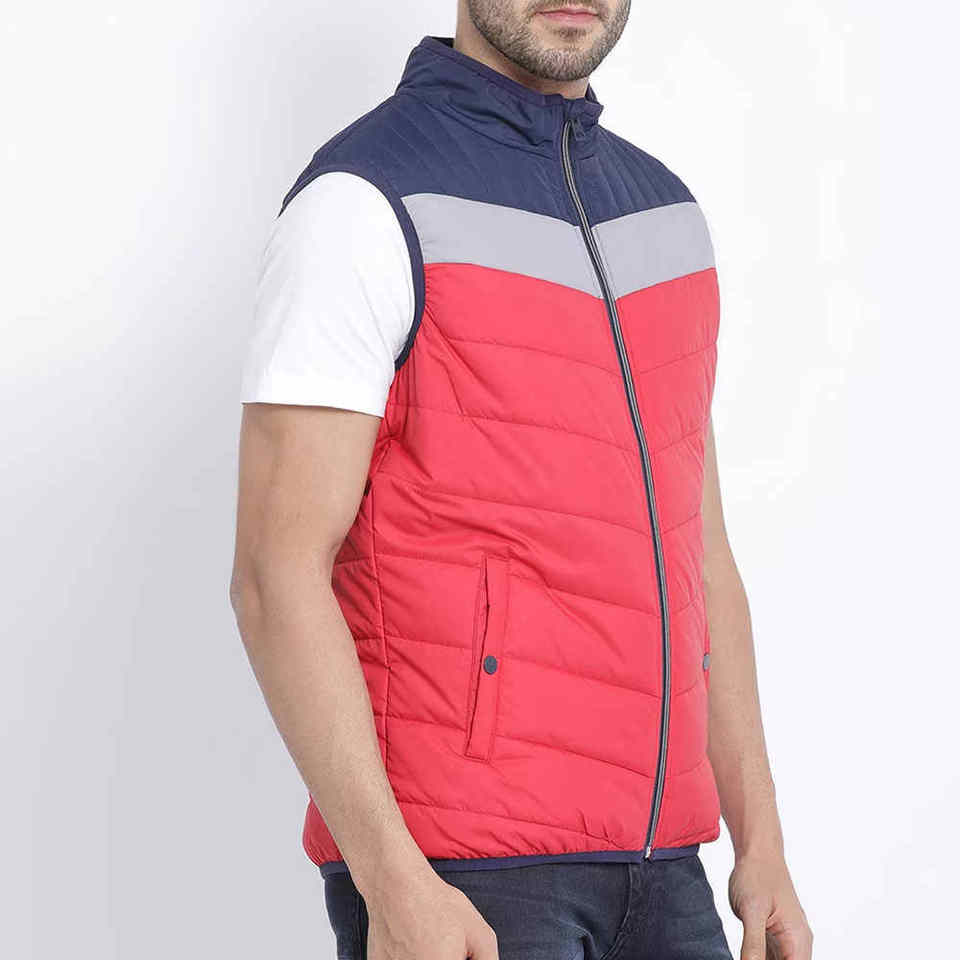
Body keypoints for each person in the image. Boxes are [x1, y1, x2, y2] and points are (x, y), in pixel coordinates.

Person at [230, 3, 813, 958]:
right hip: (461, 875)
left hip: (668, 868)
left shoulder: (664, 214)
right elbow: (274, 574)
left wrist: (763, 843)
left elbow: (700, 555)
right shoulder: (363, 202)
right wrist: (392, 881)